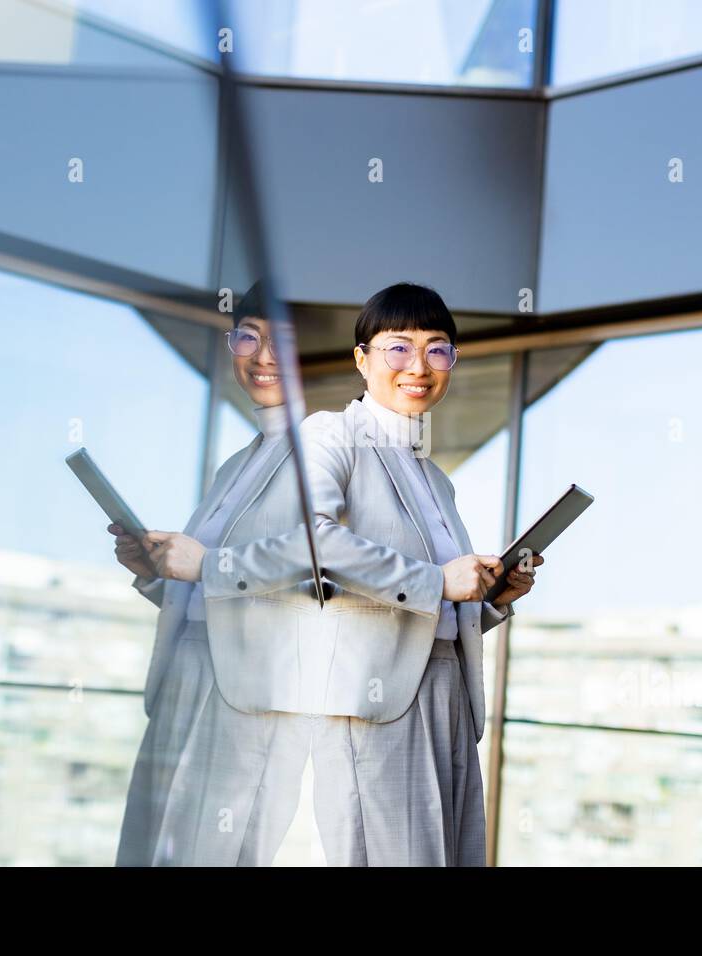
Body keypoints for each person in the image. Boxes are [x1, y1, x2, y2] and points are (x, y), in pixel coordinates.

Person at [205, 281, 545, 865]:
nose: (419, 366)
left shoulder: (435, 479)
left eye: (438, 350)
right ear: (362, 359)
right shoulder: (330, 435)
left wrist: (489, 598)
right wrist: (440, 581)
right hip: (373, 698)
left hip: (446, 692)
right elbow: (313, 543)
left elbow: (425, 607)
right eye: (398, 347)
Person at [112, 283, 312, 866]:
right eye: (248, 336)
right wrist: (155, 574)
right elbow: (213, 587)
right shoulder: (238, 463)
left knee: (219, 851)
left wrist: (202, 564)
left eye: (284, 342)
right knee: (151, 847)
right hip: (188, 673)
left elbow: (316, 582)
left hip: (250, 691)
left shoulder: (324, 456)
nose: (263, 355)